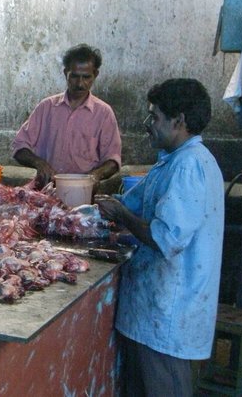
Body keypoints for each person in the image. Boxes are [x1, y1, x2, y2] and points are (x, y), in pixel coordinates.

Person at [94, 78, 224, 396]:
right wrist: (96, 204)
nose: (148, 124)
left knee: (164, 385)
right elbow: (134, 200)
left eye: (154, 116)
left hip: (170, 312)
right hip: (152, 310)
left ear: (178, 120)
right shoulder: (171, 162)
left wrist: (122, 216)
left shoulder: (189, 166)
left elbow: (167, 238)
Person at [11, 43, 122, 189]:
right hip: (46, 190)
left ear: (95, 74)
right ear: (65, 73)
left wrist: (95, 176)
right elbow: (19, 146)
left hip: (83, 192)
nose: (80, 84)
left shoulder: (104, 113)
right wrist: (40, 164)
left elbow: (113, 160)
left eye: (86, 77)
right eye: (74, 76)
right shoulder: (47, 107)